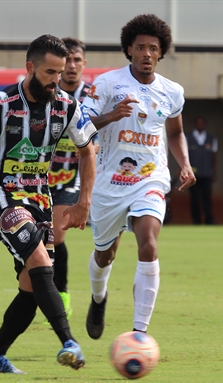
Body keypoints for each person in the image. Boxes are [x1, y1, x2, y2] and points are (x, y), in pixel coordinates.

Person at [0, 34, 97, 373]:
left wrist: (84, 201)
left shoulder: (67, 106)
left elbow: (88, 149)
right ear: (30, 67)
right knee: (41, 261)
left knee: (31, 287)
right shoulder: (2, 103)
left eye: (60, 73)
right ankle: (69, 341)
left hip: (40, 199)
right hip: (2, 196)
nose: (57, 80)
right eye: (49, 72)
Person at [81, 14, 196, 339]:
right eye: (141, 47)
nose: (147, 53)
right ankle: (98, 297)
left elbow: (175, 134)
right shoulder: (106, 84)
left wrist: (184, 163)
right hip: (109, 184)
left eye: (153, 48)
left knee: (148, 245)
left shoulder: (172, 92)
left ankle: (139, 334)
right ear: (129, 49)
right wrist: (111, 116)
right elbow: (80, 129)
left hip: (150, 180)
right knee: (106, 254)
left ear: (161, 53)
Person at [47, 37, 98, 322]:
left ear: (83, 64)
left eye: (78, 60)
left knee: (56, 233)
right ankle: (44, 290)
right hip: (39, 176)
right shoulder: (46, 92)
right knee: (42, 240)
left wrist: (91, 146)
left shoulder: (92, 96)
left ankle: (61, 292)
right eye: (68, 61)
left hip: (71, 177)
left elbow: (97, 139)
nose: (72, 66)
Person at [186, 116, 218, 225]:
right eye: (198, 123)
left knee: (207, 197)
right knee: (194, 198)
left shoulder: (211, 139)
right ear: (195, 124)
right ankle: (196, 220)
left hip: (206, 173)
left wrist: (213, 171)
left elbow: (214, 156)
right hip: (192, 174)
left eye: (202, 123)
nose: (200, 125)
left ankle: (209, 219)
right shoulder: (188, 138)